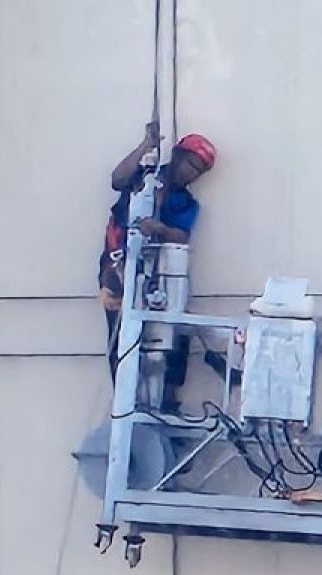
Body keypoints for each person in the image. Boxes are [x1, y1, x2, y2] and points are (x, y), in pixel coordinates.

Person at [99, 122, 217, 391]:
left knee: (170, 339)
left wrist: (160, 229)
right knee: (122, 339)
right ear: (177, 154)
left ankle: (166, 400)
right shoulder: (144, 176)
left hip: (157, 277)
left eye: (199, 171)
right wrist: (146, 146)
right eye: (191, 163)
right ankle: (124, 400)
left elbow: (183, 235)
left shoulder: (185, 202)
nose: (192, 173)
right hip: (118, 266)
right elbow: (117, 180)